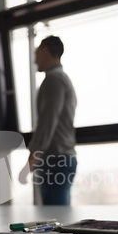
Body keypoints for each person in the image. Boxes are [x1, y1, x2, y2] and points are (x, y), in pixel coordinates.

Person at [19, 36, 77, 205]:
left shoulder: (53, 79)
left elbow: (47, 122)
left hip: (56, 159)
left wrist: (32, 158)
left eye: (36, 53)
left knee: (56, 220)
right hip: (60, 158)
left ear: (45, 51)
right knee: (57, 217)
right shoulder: (61, 78)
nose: (34, 60)